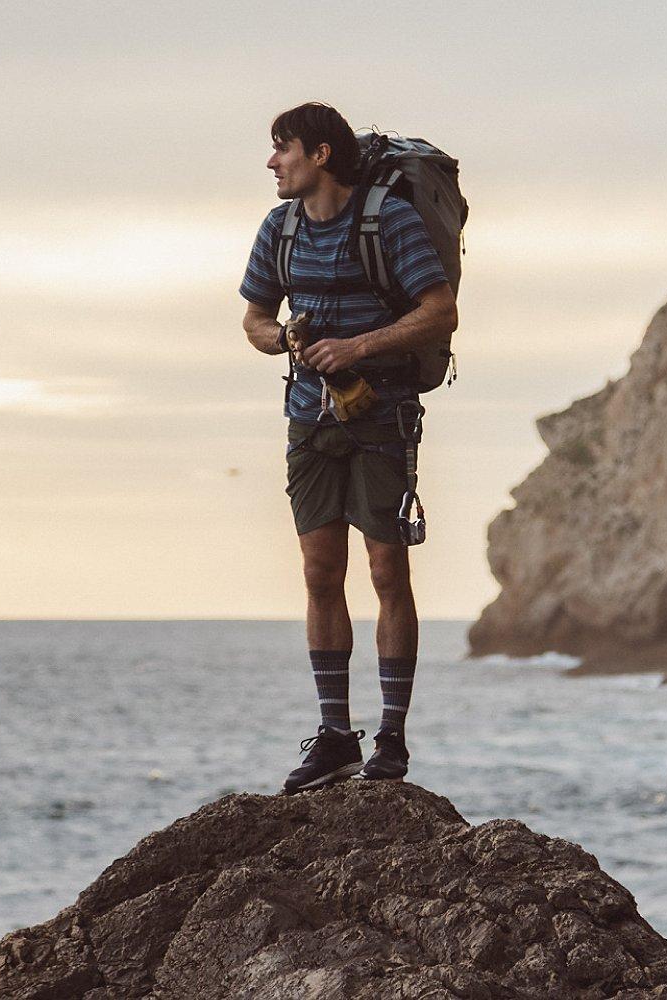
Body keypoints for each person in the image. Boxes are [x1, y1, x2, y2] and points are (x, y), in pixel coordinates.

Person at [239, 102, 458, 793]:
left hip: (380, 415)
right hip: (309, 419)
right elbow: (252, 318)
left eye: (284, 149)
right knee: (318, 572)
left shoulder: (386, 220)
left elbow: (439, 310)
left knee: (388, 572)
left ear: (321, 155)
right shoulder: (280, 227)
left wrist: (356, 346)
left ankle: (390, 738)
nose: (273, 163)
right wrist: (283, 339)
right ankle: (336, 736)